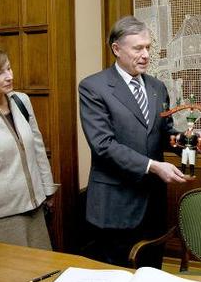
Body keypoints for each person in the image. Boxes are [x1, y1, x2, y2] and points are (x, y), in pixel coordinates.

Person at [79, 16, 188, 268]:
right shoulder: (93, 87)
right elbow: (103, 145)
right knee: (117, 275)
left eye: (148, 47)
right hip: (115, 206)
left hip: (153, 206)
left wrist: (183, 140)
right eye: (138, 48)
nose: (146, 54)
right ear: (116, 49)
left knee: (152, 273)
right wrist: (153, 166)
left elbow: (163, 132)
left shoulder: (157, 87)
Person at [0, 42, 57, 250]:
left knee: (44, 269)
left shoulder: (21, 100)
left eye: (9, 68)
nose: (9, 76)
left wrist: (47, 189)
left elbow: (37, 147)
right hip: (1, 213)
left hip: (35, 205)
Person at [172, 112, 201, 177]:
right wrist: (176, 141)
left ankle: (191, 173)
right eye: (189, 124)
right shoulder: (183, 134)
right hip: (184, 149)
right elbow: (179, 141)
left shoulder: (195, 135)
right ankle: (182, 173)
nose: (190, 126)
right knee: (183, 161)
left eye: (191, 124)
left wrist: (199, 146)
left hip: (192, 149)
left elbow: (198, 143)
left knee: (192, 161)